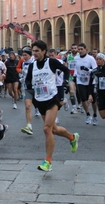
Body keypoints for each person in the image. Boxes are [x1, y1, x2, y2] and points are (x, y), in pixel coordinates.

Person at [25, 40, 79, 172]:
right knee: (53, 129)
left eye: (37, 51)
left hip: (51, 99)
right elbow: (28, 80)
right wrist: (32, 88)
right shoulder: (32, 66)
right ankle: (72, 137)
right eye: (33, 51)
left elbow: (66, 70)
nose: (35, 53)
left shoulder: (52, 62)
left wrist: (66, 81)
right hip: (39, 100)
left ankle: (48, 161)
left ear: (44, 51)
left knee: (46, 129)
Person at [73, 43, 98, 125]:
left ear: (85, 50)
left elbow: (95, 69)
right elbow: (75, 68)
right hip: (80, 81)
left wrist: (87, 69)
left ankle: (95, 114)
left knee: (93, 100)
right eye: (79, 49)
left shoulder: (90, 59)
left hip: (90, 81)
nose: (80, 51)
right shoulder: (76, 58)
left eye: (81, 49)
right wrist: (75, 75)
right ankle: (88, 114)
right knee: (83, 98)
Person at [16, 46, 36, 134]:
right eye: (23, 55)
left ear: (30, 55)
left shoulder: (35, 62)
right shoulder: (23, 63)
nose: (24, 57)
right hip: (27, 88)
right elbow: (24, 73)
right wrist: (22, 79)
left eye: (26, 55)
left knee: (43, 107)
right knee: (27, 107)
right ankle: (29, 126)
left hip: (36, 87)